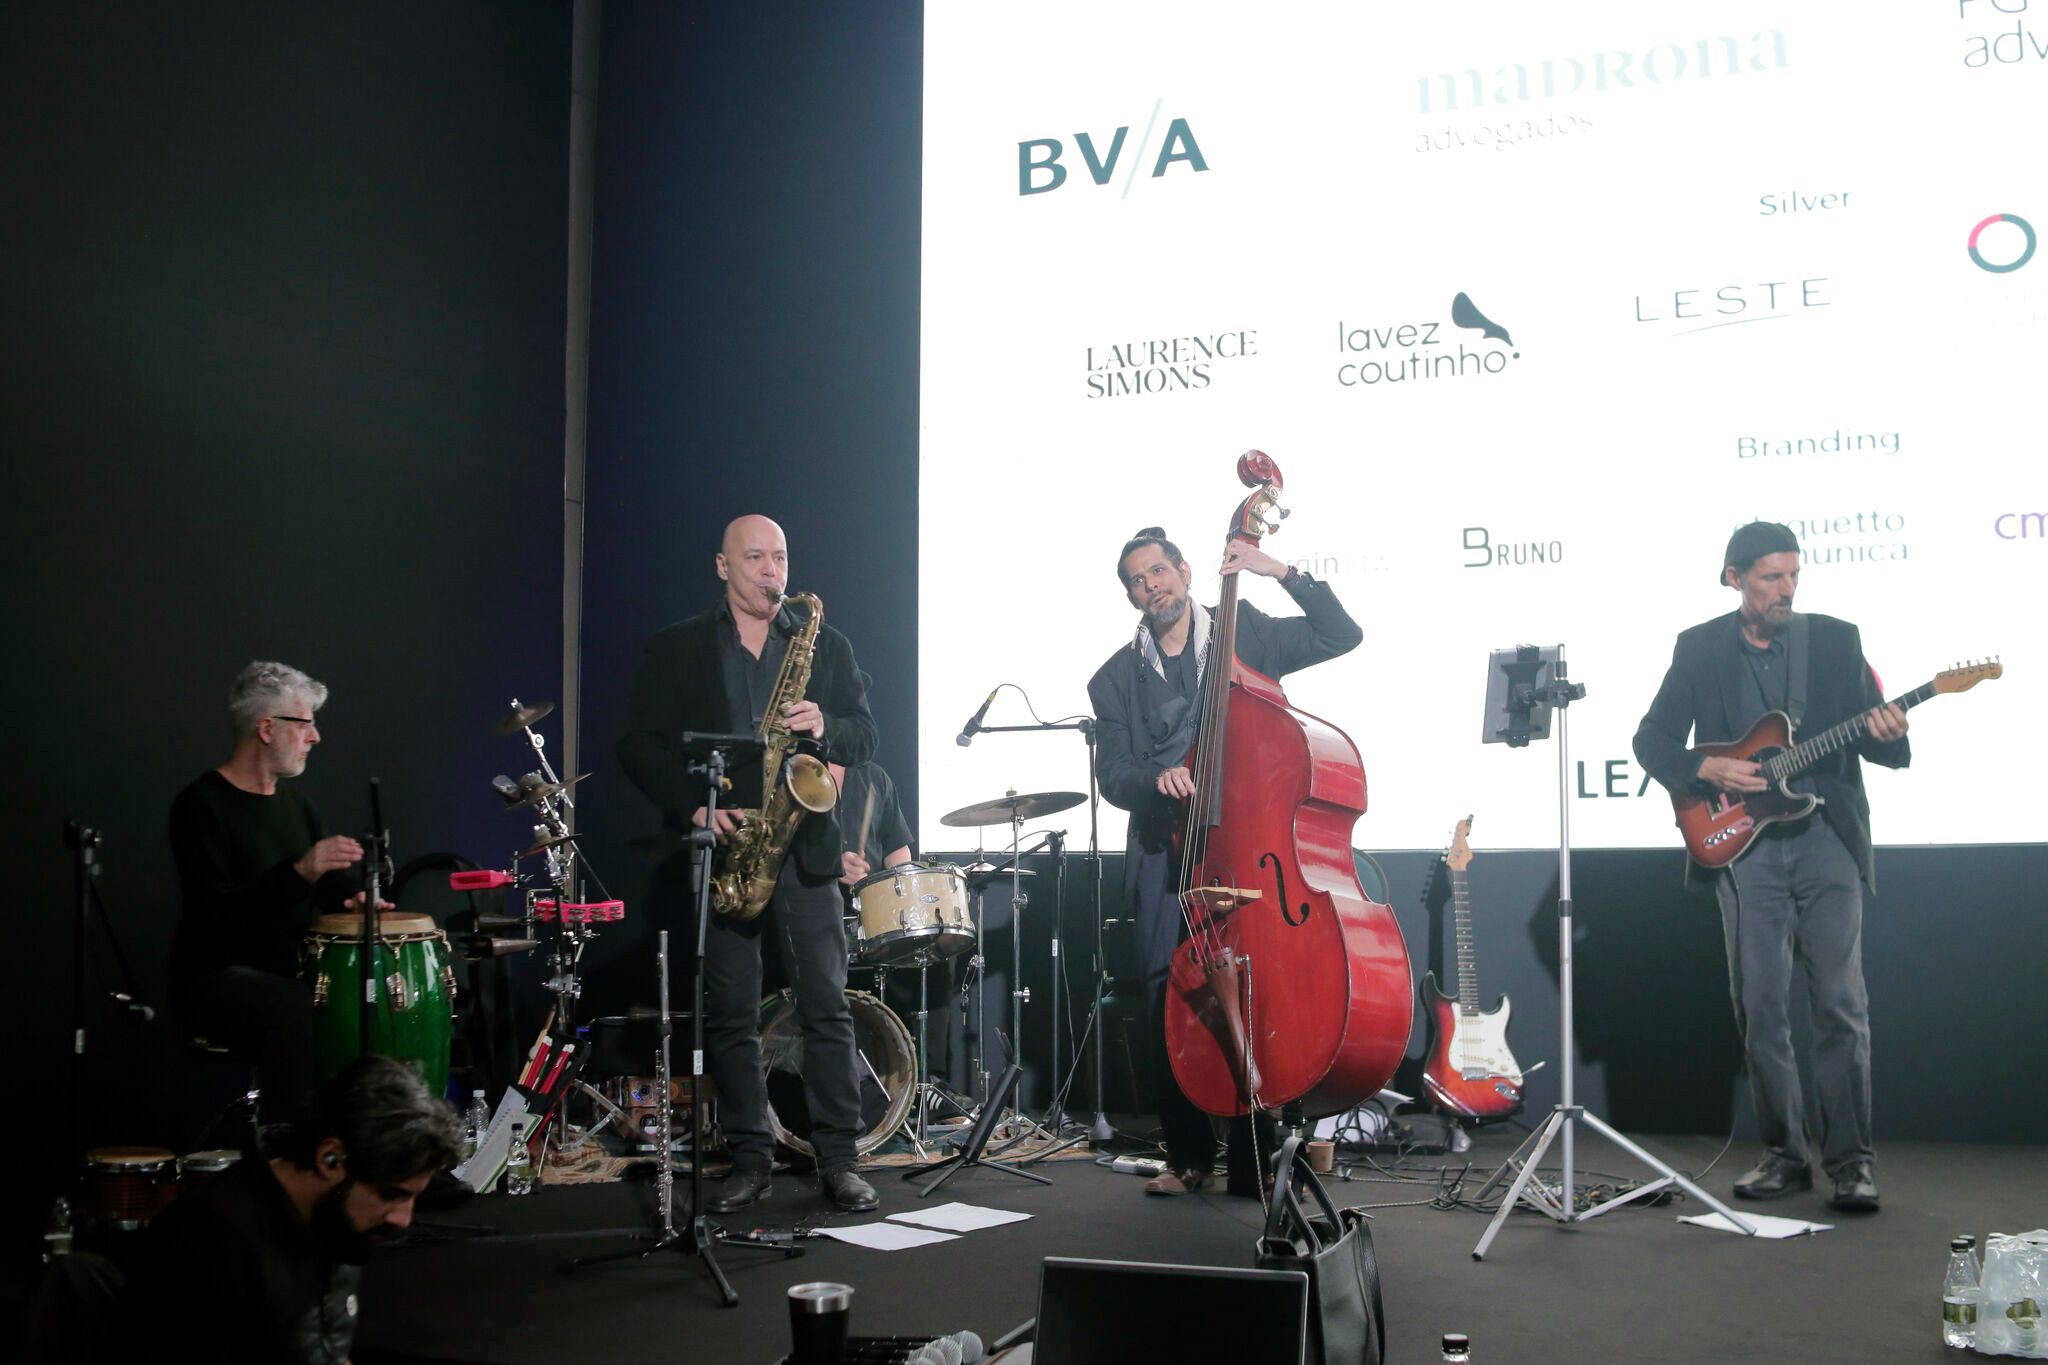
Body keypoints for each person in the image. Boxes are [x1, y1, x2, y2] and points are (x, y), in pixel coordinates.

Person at [1633, 521, 1909, 1212]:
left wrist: (1890, 734)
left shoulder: (1836, 639)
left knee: (1840, 1003)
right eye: (1772, 577)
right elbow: (1651, 739)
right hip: (1744, 848)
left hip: (1825, 840)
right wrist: (1705, 768)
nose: (1787, 589)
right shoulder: (1699, 647)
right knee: (1760, 1008)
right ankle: (1785, 1155)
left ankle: (1852, 1162)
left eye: (1794, 575)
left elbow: (1881, 745)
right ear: (1734, 577)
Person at [1087, 526, 1363, 1196]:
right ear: (1130, 596)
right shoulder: (1114, 678)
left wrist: (1278, 570)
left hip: (1247, 846)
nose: (1152, 586)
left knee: (1254, 989)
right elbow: (1114, 774)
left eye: (1159, 571)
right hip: (1166, 851)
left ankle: (1255, 1157)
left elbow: (1341, 634)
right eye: (1138, 581)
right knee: (1169, 998)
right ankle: (1187, 1157)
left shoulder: (1249, 632)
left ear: (1184, 571)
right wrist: (1154, 779)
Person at [617, 514, 881, 1213]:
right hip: (727, 846)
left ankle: (840, 1160)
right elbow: (637, 745)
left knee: (826, 1008)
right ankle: (750, 1158)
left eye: (780, 557)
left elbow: (865, 734)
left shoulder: (826, 643)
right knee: (730, 1014)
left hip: (806, 846)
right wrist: (695, 808)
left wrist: (827, 724)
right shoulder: (680, 646)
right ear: (723, 565)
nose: (771, 571)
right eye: (756, 557)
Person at [127, 1054, 461, 1362]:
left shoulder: (335, 1221)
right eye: (391, 1194)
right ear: (329, 1159)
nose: (403, 1219)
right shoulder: (208, 1240)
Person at [168, 660, 374, 1113]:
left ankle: (359, 1132)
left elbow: (325, 887)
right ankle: (291, 1142)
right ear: (266, 728)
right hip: (215, 979)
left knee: (368, 994)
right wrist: (300, 870)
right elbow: (216, 918)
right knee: (293, 1005)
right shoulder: (201, 805)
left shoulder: (298, 806)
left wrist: (354, 901)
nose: (314, 737)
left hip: (290, 974)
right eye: (304, 724)